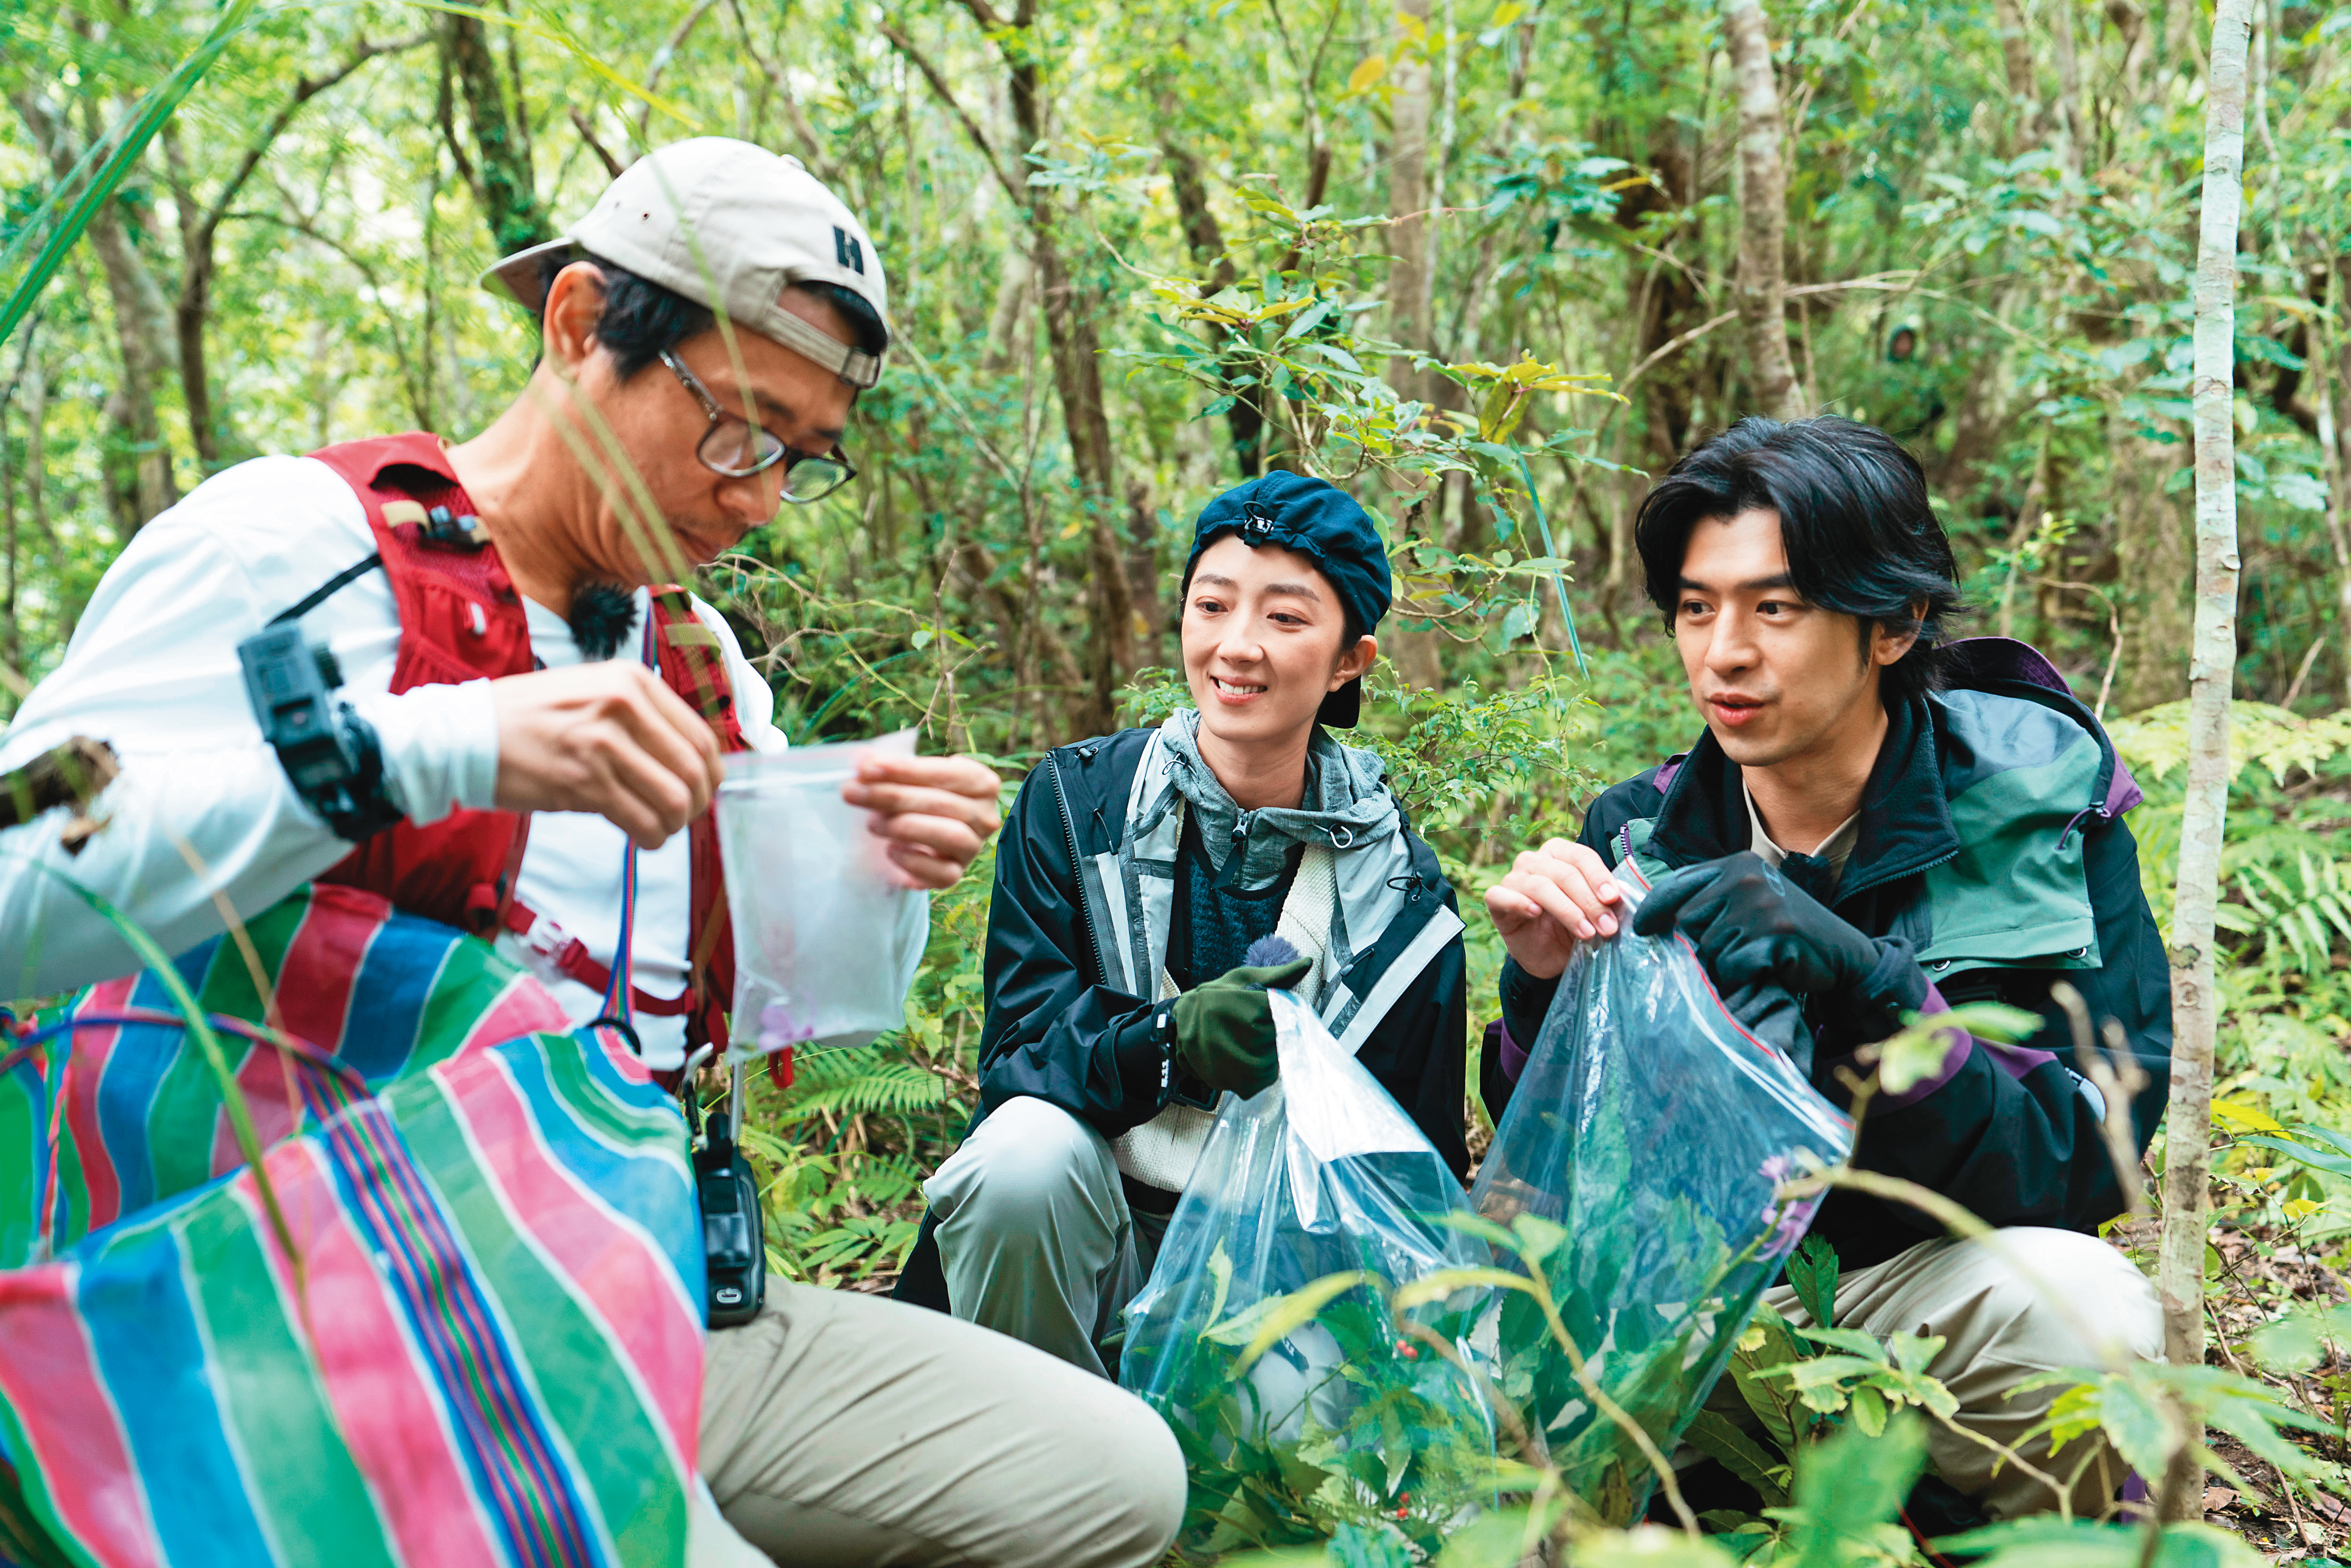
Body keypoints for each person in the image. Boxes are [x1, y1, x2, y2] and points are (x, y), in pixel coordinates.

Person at [0, 138, 1182, 1568]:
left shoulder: (694, 661)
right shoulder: (287, 548)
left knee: (1118, 1478)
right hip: (314, 1326)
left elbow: (757, 1021)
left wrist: (873, 880)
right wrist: (421, 749)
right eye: (737, 425)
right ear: (577, 328)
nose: (754, 498)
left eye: (801, 459)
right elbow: (19, 893)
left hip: (634, 1293)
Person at [1483, 416, 2170, 1522]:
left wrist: (1875, 990)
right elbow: (1557, 1176)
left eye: (1775, 608)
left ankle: (1992, 1532)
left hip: (1926, 1279)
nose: (1724, 652)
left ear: (1892, 624)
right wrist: (1543, 991)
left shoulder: (2037, 811)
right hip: (1705, 1301)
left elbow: (2094, 1161)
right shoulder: (1642, 835)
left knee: (2084, 1308)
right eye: (1697, 609)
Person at [894, 473, 1471, 1378]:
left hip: (1276, 1273)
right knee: (1020, 1158)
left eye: (1286, 619)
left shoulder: (1398, 893)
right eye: (1213, 605)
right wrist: (1171, 1044)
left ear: (1350, 659)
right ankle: (1031, 1468)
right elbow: (1020, 1052)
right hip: (1090, 1237)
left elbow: (1413, 1169)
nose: (1236, 647)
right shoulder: (1078, 803)